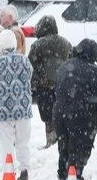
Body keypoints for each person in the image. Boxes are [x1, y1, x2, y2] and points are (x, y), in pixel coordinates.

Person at [53, 39, 97, 180]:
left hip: (60, 112)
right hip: (83, 116)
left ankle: (65, 179)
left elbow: (56, 89)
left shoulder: (64, 66)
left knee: (64, 146)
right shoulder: (93, 71)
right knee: (80, 148)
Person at [0, 29, 33, 180]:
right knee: (23, 141)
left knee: (6, 141)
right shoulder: (24, 60)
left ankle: (9, 171)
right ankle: (24, 171)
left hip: (2, 108)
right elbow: (30, 76)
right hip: (22, 107)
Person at [28, 16, 71, 148]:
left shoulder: (37, 45)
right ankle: (63, 140)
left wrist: (33, 84)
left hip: (44, 86)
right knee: (62, 114)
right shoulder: (66, 43)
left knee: (48, 117)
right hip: (63, 85)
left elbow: (31, 65)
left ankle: (51, 141)